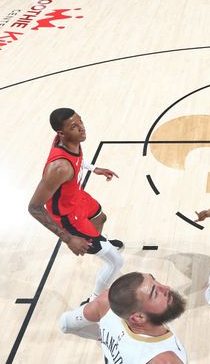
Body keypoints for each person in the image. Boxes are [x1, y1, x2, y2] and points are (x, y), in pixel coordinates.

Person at [27, 108, 124, 303]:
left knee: (100, 217)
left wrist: (94, 168)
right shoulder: (59, 168)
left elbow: (77, 157)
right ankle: (94, 300)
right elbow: (34, 207)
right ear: (61, 133)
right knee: (116, 262)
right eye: (74, 126)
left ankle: (97, 243)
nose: (82, 129)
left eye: (81, 122)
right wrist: (68, 238)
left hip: (76, 197)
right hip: (68, 216)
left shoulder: (70, 141)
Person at [60, 271, 188, 363]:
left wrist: (102, 336)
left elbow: (65, 324)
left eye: (155, 280)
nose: (166, 288)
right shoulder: (164, 359)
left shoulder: (105, 303)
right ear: (138, 317)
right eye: (155, 293)